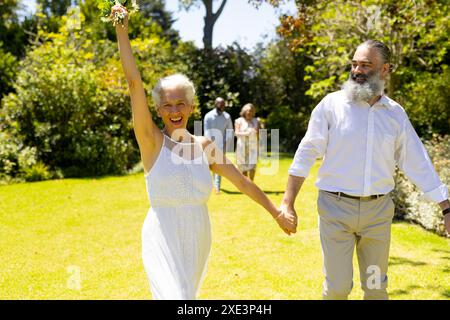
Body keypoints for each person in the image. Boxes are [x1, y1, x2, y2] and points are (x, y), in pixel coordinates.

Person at [111, 4, 297, 300]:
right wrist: (122, 28)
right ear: (158, 110)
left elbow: (243, 183)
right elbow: (134, 84)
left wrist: (276, 212)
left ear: (192, 107)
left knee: (189, 298)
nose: (175, 110)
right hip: (163, 236)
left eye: (181, 103)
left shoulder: (205, 147)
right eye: (167, 105)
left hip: (198, 235)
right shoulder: (151, 142)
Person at [280, 40, 450, 300]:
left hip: (377, 215)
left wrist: (445, 207)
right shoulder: (331, 106)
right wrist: (287, 203)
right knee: (337, 288)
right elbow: (305, 154)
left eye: (366, 65)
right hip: (336, 211)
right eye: (354, 64)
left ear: (385, 70)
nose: (357, 71)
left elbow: (417, 161)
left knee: (375, 288)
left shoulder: (395, 114)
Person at [203, 97, 234, 194]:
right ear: (215, 104)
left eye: (223, 104)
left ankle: (217, 187)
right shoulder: (208, 116)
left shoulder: (227, 117)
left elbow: (229, 131)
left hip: (222, 145)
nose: (222, 106)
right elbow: (207, 131)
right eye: (220, 104)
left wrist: (225, 144)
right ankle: (210, 185)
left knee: (219, 166)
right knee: (210, 165)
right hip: (210, 144)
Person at [235, 103, 261, 181]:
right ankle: (247, 185)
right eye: (248, 111)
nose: (249, 113)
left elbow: (258, 134)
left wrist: (257, 131)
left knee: (253, 166)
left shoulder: (256, 121)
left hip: (253, 146)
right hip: (242, 146)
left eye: (251, 111)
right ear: (244, 111)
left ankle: (251, 183)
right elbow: (236, 133)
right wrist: (246, 133)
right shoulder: (239, 121)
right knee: (243, 167)